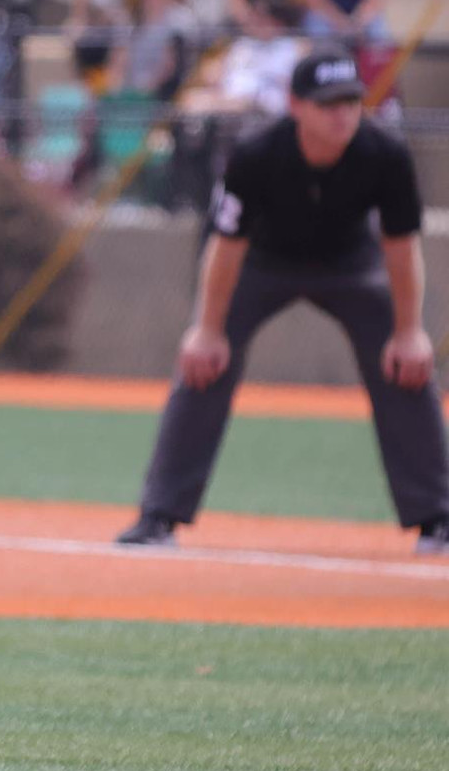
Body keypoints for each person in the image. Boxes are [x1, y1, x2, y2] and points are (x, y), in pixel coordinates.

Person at [115, 50, 449, 556]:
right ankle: (158, 515)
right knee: (204, 363)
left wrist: (409, 330)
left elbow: (401, 249)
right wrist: (207, 329)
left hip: (349, 264)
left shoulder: (385, 153)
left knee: (406, 364)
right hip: (261, 262)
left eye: (351, 102)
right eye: (328, 103)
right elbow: (224, 247)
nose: (342, 114)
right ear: (295, 105)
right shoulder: (257, 153)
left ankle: (437, 518)